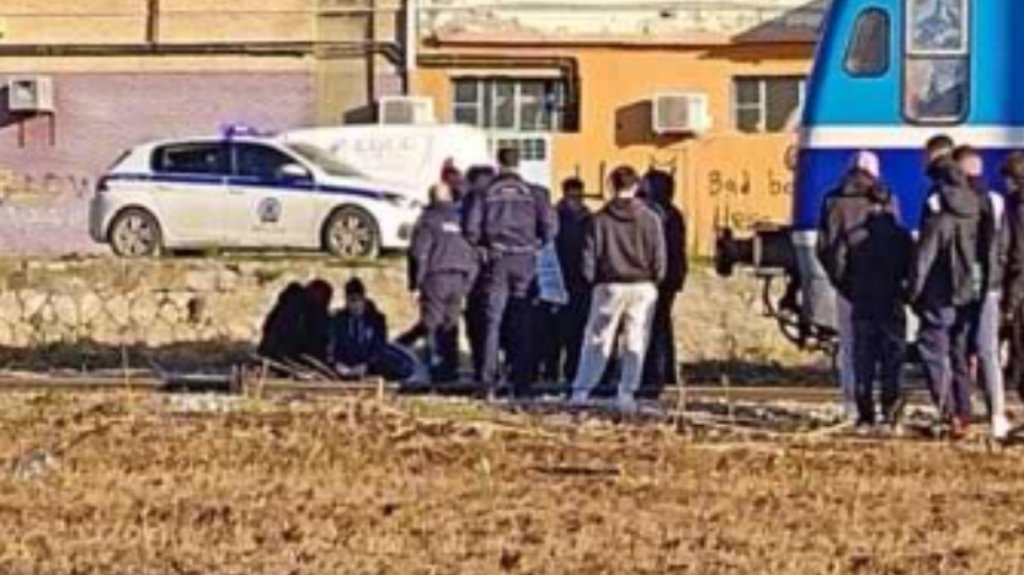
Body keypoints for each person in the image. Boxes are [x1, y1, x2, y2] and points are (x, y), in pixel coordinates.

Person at [819, 151, 910, 429]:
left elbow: (829, 250)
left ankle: (858, 409)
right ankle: (891, 410)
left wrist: (845, 285)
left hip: (856, 291)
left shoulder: (834, 201)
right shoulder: (889, 201)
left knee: (856, 352)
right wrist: (903, 288)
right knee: (892, 353)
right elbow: (906, 256)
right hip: (889, 294)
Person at [569, 166, 666, 414]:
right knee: (636, 339)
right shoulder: (651, 219)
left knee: (597, 338)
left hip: (608, 284)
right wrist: (656, 278)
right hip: (643, 285)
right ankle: (627, 393)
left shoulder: (599, 219)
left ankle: (582, 390)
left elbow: (588, 256)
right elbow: (659, 257)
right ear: (636, 186)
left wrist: (593, 280)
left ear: (611, 185)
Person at [464, 148, 557, 398]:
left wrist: (482, 246)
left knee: (492, 322)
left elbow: (471, 229)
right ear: (519, 163)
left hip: (496, 260)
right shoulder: (536, 193)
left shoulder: (483, 193)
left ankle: (487, 383)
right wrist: (536, 244)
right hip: (525, 259)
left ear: (498, 163)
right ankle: (522, 383)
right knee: (523, 321)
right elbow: (550, 228)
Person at [910, 145, 983, 439]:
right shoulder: (976, 205)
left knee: (933, 348)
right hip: (969, 291)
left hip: (940, 291)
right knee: (960, 353)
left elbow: (924, 257)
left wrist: (913, 292)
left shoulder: (938, 212)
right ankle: (964, 414)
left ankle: (948, 412)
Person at [408, 182, 479, 383]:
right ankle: (451, 370)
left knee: (433, 323)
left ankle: (436, 371)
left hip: (435, 277)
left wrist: (416, 282)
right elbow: (472, 250)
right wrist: (468, 281)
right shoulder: (461, 219)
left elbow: (419, 253)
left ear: (430, 198)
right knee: (451, 324)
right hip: (459, 278)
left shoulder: (427, 220)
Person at [968, 150, 1011, 440]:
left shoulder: (945, 199)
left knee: (961, 349)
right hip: (991, 285)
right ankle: (997, 412)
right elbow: (1004, 246)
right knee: (989, 351)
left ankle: (963, 408)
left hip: (961, 285)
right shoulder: (997, 201)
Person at [639, 169, 688, 398]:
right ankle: (666, 371)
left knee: (653, 326)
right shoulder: (673, 213)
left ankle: (653, 373)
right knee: (662, 324)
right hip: (671, 275)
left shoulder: (653, 213)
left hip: (657, 276)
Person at [329, 278, 416, 381]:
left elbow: (379, 347)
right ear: (346, 302)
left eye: (358, 300)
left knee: (391, 361)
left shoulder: (376, 320)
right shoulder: (339, 320)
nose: (355, 306)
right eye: (351, 301)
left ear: (363, 300)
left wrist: (367, 366)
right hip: (346, 366)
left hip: (370, 366)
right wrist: (338, 364)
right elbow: (333, 346)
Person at [551, 177, 593, 384]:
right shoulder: (555, 217)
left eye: (579, 197)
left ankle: (573, 371)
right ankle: (551, 371)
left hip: (582, 282)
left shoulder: (590, 219)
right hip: (559, 279)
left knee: (579, 330)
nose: (575, 201)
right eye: (572, 197)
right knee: (555, 331)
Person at [461, 165, 497, 381]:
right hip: (493, 268)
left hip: (477, 271)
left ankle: (482, 371)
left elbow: (470, 231)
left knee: (480, 323)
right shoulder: (498, 199)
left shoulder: (473, 199)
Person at [1003, 152, 1024, 417]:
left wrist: (1011, 301)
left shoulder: (1018, 208)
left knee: (1020, 345)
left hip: (1021, 287)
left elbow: (1019, 257)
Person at [257, 282, 308, 369]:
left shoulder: (281, 308)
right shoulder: (296, 311)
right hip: (280, 356)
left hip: (270, 353)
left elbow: (266, 327)